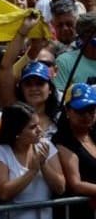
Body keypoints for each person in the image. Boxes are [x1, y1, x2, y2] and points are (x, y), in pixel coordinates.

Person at [0, 102, 65, 219]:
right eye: (32, 127)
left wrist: (44, 165)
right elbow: (4, 193)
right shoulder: (0, 151)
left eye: (39, 125)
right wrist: (32, 171)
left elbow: (60, 188)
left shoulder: (46, 145)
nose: (39, 130)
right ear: (17, 132)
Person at [52, 83, 96, 219]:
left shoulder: (94, 134)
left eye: (91, 110)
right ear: (67, 111)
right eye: (80, 110)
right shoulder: (62, 141)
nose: (87, 115)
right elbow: (75, 184)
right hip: (78, 212)